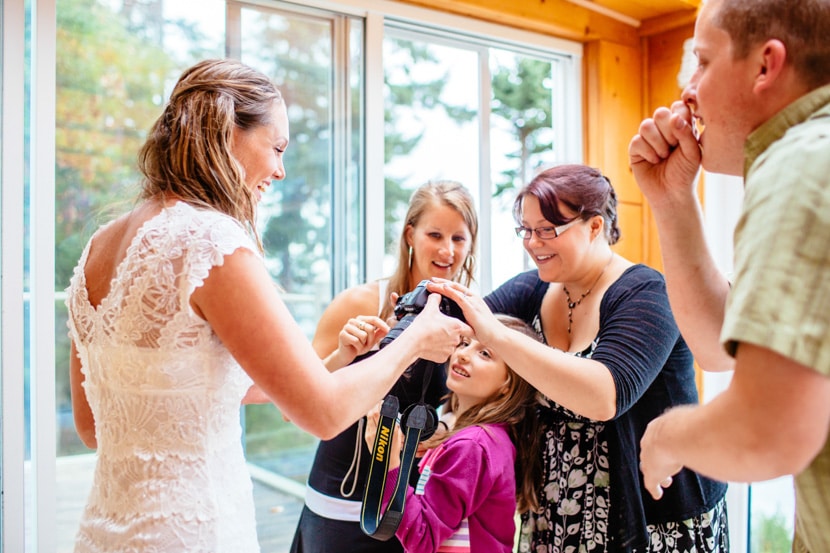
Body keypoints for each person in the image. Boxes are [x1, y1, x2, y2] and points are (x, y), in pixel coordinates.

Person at [65, 59, 468, 553]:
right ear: (224, 132)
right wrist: (416, 341)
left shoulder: (99, 248)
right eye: (276, 148)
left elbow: (94, 425)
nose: (279, 171)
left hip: (102, 532)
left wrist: (337, 360)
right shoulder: (210, 239)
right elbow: (323, 415)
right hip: (193, 534)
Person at [429, 164, 729, 552]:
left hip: (657, 519)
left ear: (594, 226)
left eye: (548, 230)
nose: (534, 243)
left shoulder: (648, 293)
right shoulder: (531, 290)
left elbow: (605, 396)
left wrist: (495, 334)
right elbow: (454, 337)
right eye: (527, 230)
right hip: (558, 514)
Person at [628, 0, 830, 550]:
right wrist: (672, 201)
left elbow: (770, 429)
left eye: (702, 60)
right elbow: (720, 345)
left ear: (766, 65)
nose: (687, 89)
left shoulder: (800, 168)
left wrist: (666, 435)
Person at [290, 180, 479, 553]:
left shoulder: (469, 319)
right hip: (338, 508)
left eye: (459, 238)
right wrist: (351, 353)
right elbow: (294, 405)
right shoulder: (359, 303)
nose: (447, 250)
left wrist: (448, 425)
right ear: (410, 234)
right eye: (435, 234)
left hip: (407, 514)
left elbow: (474, 404)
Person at [362, 314, 541, 553]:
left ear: (508, 383)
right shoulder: (490, 437)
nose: (464, 354)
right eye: (465, 343)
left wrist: (388, 462)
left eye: (485, 353)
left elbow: (422, 537)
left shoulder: (473, 446)